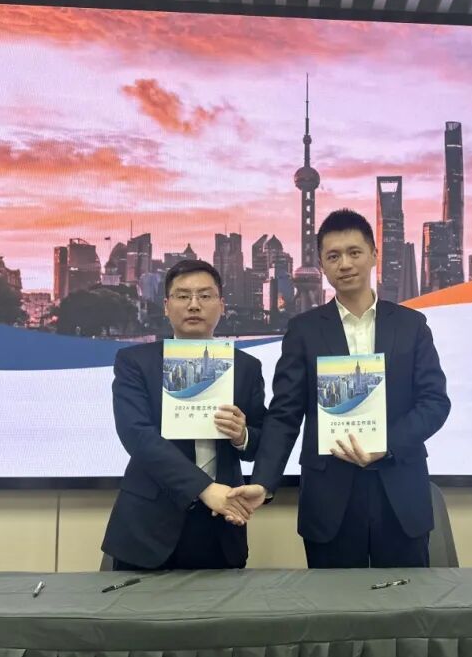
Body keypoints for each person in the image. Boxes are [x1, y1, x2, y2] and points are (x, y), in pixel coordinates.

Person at [240, 209, 451, 568]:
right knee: (333, 601)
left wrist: (386, 444)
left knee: (406, 598)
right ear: (322, 264)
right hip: (329, 496)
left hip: (400, 490)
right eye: (334, 256)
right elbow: (285, 414)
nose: (345, 264)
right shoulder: (304, 330)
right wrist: (263, 481)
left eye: (355, 252)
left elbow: (434, 403)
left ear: (374, 255)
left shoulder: (411, 325)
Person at [101, 259, 265, 571]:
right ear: (166, 306)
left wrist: (243, 435)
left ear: (221, 305)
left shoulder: (246, 367)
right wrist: (205, 489)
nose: (194, 305)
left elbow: (260, 441)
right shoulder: (135, 362)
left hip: (221, 523)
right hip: (148, 525)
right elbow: (137, 435)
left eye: (205, 296)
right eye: (183, 296)